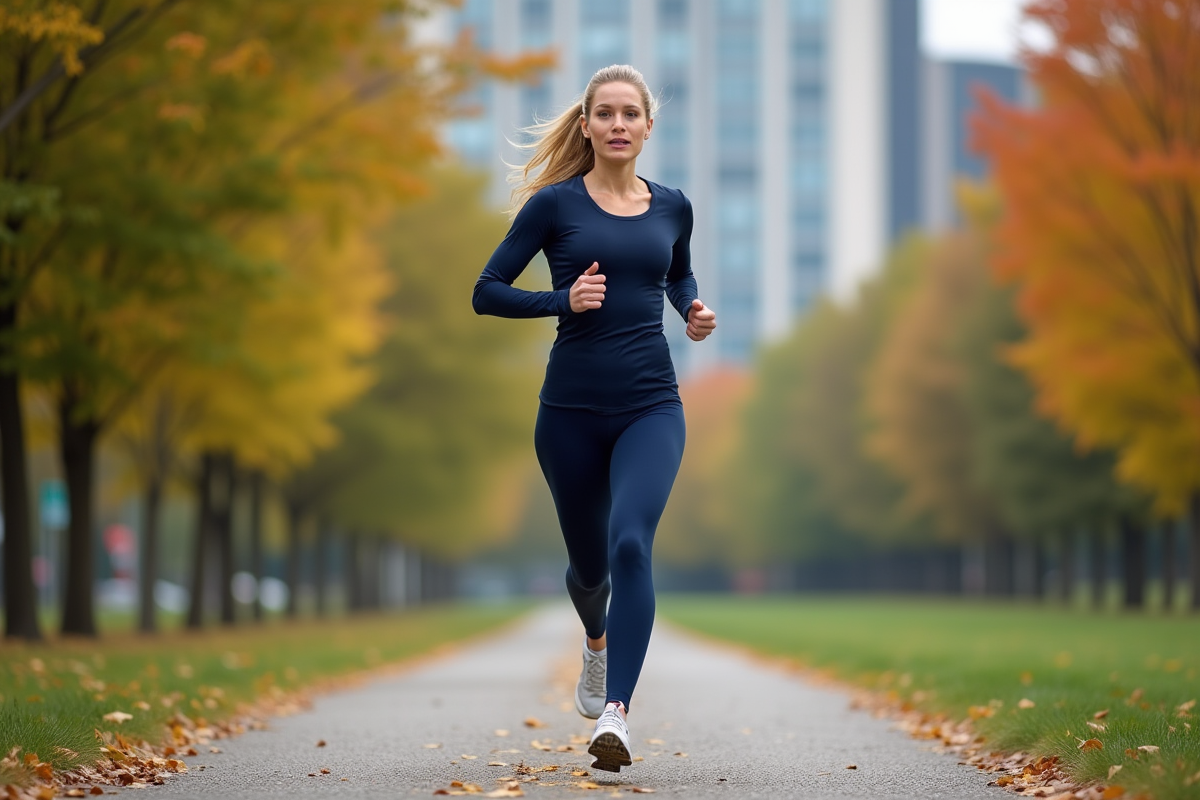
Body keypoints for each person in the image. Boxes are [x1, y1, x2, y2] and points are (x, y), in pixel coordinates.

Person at [472, 64, 716, 773]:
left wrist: (690, 309)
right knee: (589, 568)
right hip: (570, 414)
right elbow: (486, 291)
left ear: (647, 126)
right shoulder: (554, 206)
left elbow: (677, 273)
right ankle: (596, 640)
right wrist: (563, 301)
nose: (617, 124)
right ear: (585, 126)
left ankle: (617, 714)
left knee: (630, 543)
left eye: (629, 113)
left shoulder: (674, 207)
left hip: (651, 406)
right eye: (604, 113)